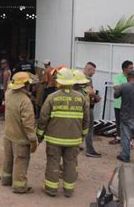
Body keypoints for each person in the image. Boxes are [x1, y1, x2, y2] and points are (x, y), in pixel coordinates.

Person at [37, 68, 89, 197]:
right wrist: (82, 134)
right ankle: (69, 190)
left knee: (53, 162)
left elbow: (43, 118)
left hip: (54, 138)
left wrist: (39, 134)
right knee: (71, 162)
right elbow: (86, 119)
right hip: (74, 139)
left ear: (59, 82)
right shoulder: (81, 98)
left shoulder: (52, 97)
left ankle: (51, 189)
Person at [2, 72, 37, 194]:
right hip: (20, 139)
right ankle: (19, 186)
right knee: (20, 161)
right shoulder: (25, 101)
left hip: (8, 134)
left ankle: (6, 180)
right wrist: (33, 140)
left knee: (8, 158)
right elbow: (28, 124)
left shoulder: (8, 94)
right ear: (25, 85)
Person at [110, 60, 134, 145]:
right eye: (130, 68)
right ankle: (118, 137)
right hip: (118, 104)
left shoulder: (132, 77)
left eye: (132, 67)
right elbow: (116, 87)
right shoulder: (117, 77)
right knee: (118, 122)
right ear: (124, 69)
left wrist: (122, 88)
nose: (132, 69)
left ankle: (129, 140)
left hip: (129, 105)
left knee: (128, 123)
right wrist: (128, 88)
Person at [83, 62, 102, 158]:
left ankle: (75, 145)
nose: (94, 73)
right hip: (87, 107)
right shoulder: (88, 79)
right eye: (94, 71)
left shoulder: (78, 77)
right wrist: (96, 97)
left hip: (79, 106)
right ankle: (90, 150)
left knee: (80, 127)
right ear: (90, 69)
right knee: (89, 129)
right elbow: (90, 92)